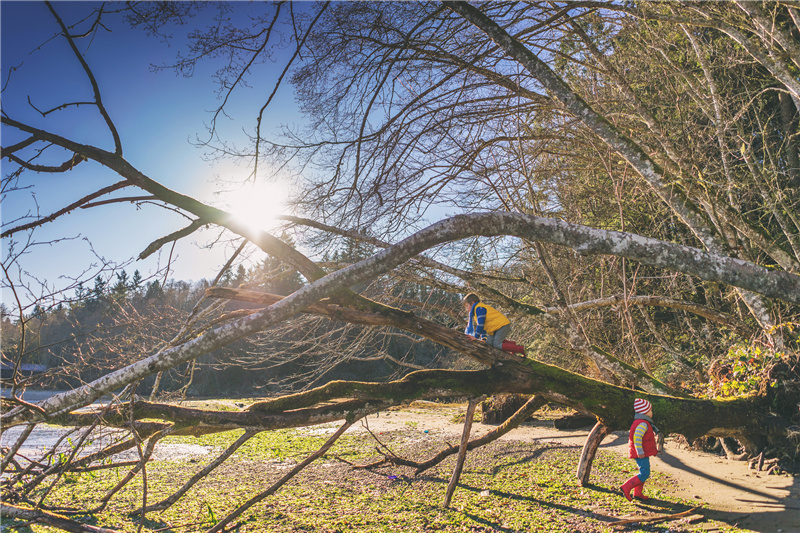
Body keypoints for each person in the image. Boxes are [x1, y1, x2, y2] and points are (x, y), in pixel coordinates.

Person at [621, 398, 660, 501]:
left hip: (642, 452)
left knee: (643, 471)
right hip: (640, 453)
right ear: (645, 412)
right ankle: (627, 487)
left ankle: (637, 494)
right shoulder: (642, 424)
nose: (652, 413)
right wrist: (640, 452)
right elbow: (637, 438)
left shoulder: (643, 422)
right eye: (650, 410)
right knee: (645, 473)